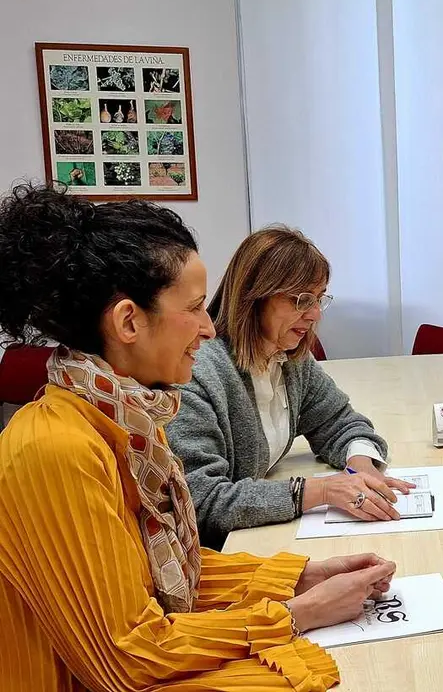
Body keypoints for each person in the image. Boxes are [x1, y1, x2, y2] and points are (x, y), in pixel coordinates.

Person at [0, 185, 397, 690]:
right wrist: (294, 615)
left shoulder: (124, 415)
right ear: (128, 321)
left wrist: (302, 578)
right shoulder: (57, 449)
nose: (209, 328)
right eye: (194, 309)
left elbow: (166, 575)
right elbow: (127, 659)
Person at [167, 227, 414, 549]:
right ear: (254, 297)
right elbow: (199, 500)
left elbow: (340, 423)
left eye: (319, 299)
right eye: (301, 300)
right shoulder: (198, 373)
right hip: (217, 559)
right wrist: (318, 491)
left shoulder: (291, 360)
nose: (313, 315)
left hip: (256, 540)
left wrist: (362, 467)